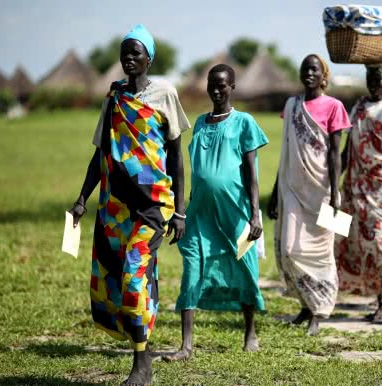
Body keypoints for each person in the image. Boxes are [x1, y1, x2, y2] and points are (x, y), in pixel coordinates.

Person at [69, 24, 190, 386]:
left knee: (133, 275)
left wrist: (180, 211)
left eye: (136, 52)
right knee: (119, 281)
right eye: (125, 52)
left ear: (149, 58)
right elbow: (100, 153)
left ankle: (142, 365)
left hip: (154, 206)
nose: (129, 58)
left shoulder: (165, 94)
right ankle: (141, 343)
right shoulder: (114, 97)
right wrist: (81, 198)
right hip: (116, 206)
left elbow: (176, 158)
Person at [163, 64, 268, 361]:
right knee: (192, 269)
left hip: (236, 213)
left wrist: (255, 215)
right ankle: (185, 345)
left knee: (246, 269)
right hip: (200, 215)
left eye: (222, 84)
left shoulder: (244, 122)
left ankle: (250, 333)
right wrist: (180, 212)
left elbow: (251, 174)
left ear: (232, 86)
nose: (217, 89)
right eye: (212, 84)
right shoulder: (199, 122)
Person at [267, 54, 351, 336]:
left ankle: (318, 310)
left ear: (323, 74)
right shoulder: (292, 105)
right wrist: (275, 190)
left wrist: (336, 192)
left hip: (322, 189)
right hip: (291, 186)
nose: (309, 73)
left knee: (322, 251)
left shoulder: (334, 106)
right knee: (290, 249)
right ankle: (305, 303)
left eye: (314, 69)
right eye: (305, 69)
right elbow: (286, 151)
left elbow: (335, 153)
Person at [335, 20, 382, 325]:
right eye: (369, 78)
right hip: (355, 186)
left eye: (377, 79)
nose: (372, 83)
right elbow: (346, 150)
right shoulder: (358, 108)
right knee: (345, 238)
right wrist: (334, 184)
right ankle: (356, 293)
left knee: (381, 243)